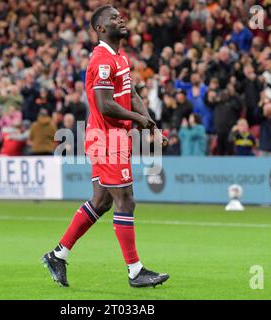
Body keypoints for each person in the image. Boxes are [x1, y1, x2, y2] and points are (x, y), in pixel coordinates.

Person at [42, 5, 169, 288]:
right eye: (113, 18)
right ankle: (135, 271)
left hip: (111, 137)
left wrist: (150, 124)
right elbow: (104, 104)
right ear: (100, 28)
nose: (120, 18)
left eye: (120, 15)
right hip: (106, 137)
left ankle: (58, 254)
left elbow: (131, 93)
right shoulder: (100, 59)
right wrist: (139, 120)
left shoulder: (120, 56)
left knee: (102, 201)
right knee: (126, 200)